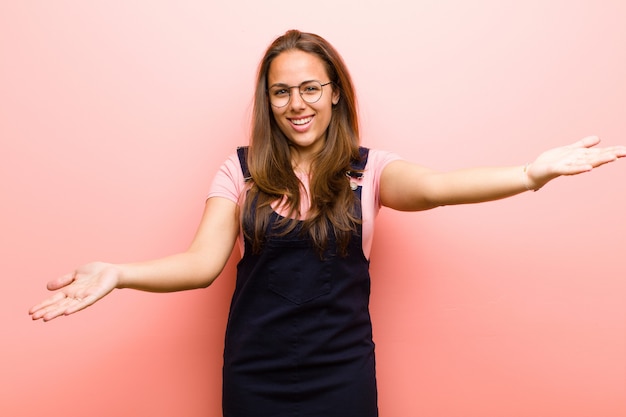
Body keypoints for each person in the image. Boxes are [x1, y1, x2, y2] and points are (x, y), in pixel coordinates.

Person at [29, 30, 626, 417]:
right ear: (268, 101)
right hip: (253, 376)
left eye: (311, 88)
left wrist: (529, 173)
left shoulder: (371, 173)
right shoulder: (240, 173)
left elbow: (440, 188)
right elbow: (200, 264)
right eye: (282, 92)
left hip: (340, 377)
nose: (297, 104)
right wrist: (120, 273)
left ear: (335, 93)